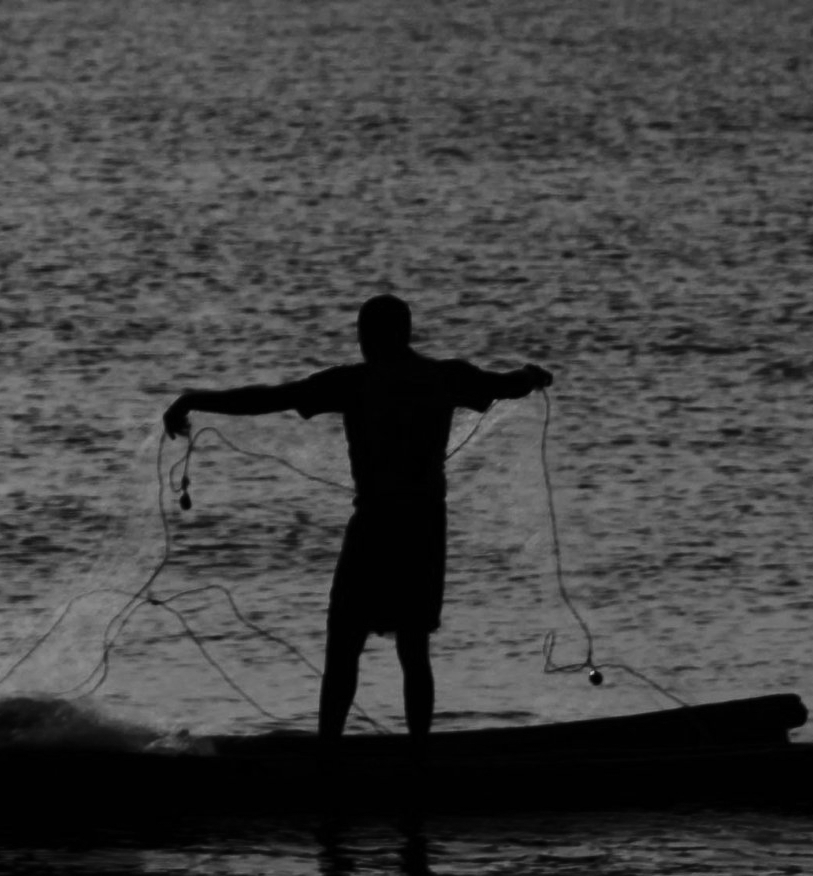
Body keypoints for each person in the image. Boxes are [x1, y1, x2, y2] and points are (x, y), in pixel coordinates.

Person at [163, 295, 554, 742]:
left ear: (368, 336)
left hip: (375, 525)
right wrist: (532, 374)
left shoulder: (354, 383)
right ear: (405, 334)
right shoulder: (445, 377)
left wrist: (193, 399)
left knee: (344, 644)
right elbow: (506, 384)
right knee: (414, 647)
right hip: (424, 528)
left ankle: (329, 755)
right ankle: (418, 760)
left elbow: (269, 398)